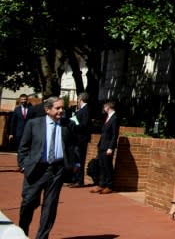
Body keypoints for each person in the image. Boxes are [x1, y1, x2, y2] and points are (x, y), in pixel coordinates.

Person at [17, 96, 76, 239]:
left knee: (50, 207)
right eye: (58, 108)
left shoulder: (68, 124)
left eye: (63, 108)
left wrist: (74, 163)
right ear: (47, 109)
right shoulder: (33, 124)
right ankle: (22, 233)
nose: (61, 111)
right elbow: (23, 147)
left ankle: (42, 237)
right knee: (28, 203)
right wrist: (24, 165)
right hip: (36, 169)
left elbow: (72, 145)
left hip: (57, 170)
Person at [90, 100, 119, 194]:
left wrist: (111, 147)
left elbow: (115, 134)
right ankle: (101, 184)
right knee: (101, 166)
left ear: (108, 107)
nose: (103, 108)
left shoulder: (115, 118)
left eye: (104, 107)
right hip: (102, 146)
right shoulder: (107, 117)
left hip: (108, 147)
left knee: (107, 166)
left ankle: (109, 186)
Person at [67, 92, 91, 187]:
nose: (77, 101)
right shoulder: (82, 109)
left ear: (80, 99)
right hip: (77, 138)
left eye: (78, 99)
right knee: (76, 160)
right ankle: (75, 178)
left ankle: (79, 180)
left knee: (79, 160)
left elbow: (84, 124)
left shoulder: (86, 109)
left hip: (81, 139)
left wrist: (74, 124)